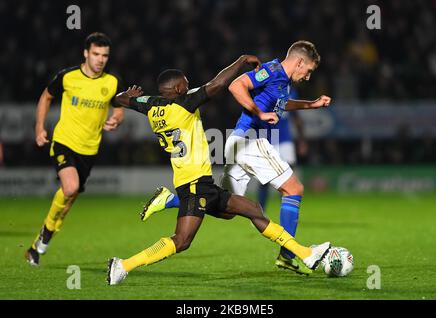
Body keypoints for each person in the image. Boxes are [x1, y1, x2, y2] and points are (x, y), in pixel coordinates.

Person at [107, 54, 331, 285]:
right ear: (177, 88)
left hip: (198, 183)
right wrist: (242, 60)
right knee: (181, 241)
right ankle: (123, 265)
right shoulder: (184, 103)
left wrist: (125, 99)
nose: (188, 84)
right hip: (194, 185)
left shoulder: (151, 105)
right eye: (185, 82)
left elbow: (122, 100)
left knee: (252, 209)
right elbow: (218, 84)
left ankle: (305, 253)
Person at [25, 32, 125, 266]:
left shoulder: (111, 82)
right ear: (86, 54)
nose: (100, 60)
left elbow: (119, 108)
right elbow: (46, 96)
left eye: (105, 56)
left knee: (69, 200)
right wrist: (39, 127)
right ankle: (44, 235)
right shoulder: (68, 76)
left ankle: (44, 238)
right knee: (70, 187)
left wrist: (116, 119)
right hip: (65, 141)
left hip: (90, 150)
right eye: (96, 54)